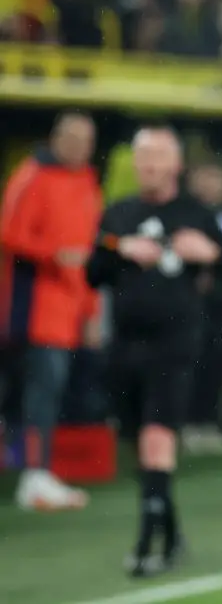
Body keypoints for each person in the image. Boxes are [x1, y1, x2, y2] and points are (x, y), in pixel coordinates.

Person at [85, 125, 222, 578]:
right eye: (143, 158)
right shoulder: (118, 214)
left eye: (158, 158)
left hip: (175, 343)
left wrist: (209, 253)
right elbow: (93, 270)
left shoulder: (199, 213)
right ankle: (171, 534)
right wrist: (120, 251)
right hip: (125, 343)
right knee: (140, 444)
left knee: (157, 436)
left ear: (175, 165)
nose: (149, 166)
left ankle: (146, 543)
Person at [0, 111, 103, 511]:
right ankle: (34, 474)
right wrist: (54, 255)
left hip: (68, 311)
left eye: (86, 140)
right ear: (56, 138)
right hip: (34, 308)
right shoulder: (33, 175)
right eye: (72, 138)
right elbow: (9, 232)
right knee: (39, 393)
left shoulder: (88, 184)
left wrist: (91, 310)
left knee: (46, 393)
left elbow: (89, 253)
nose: (78, 147)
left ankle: (34, 470)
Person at [184, 162, 222, 455]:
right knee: (197, 360)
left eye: (218, 179)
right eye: (206, 178)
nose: (213, 186)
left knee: (220, 360)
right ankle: (193, 423)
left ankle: (211, 420)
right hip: (195, 304)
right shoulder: (188, 214)